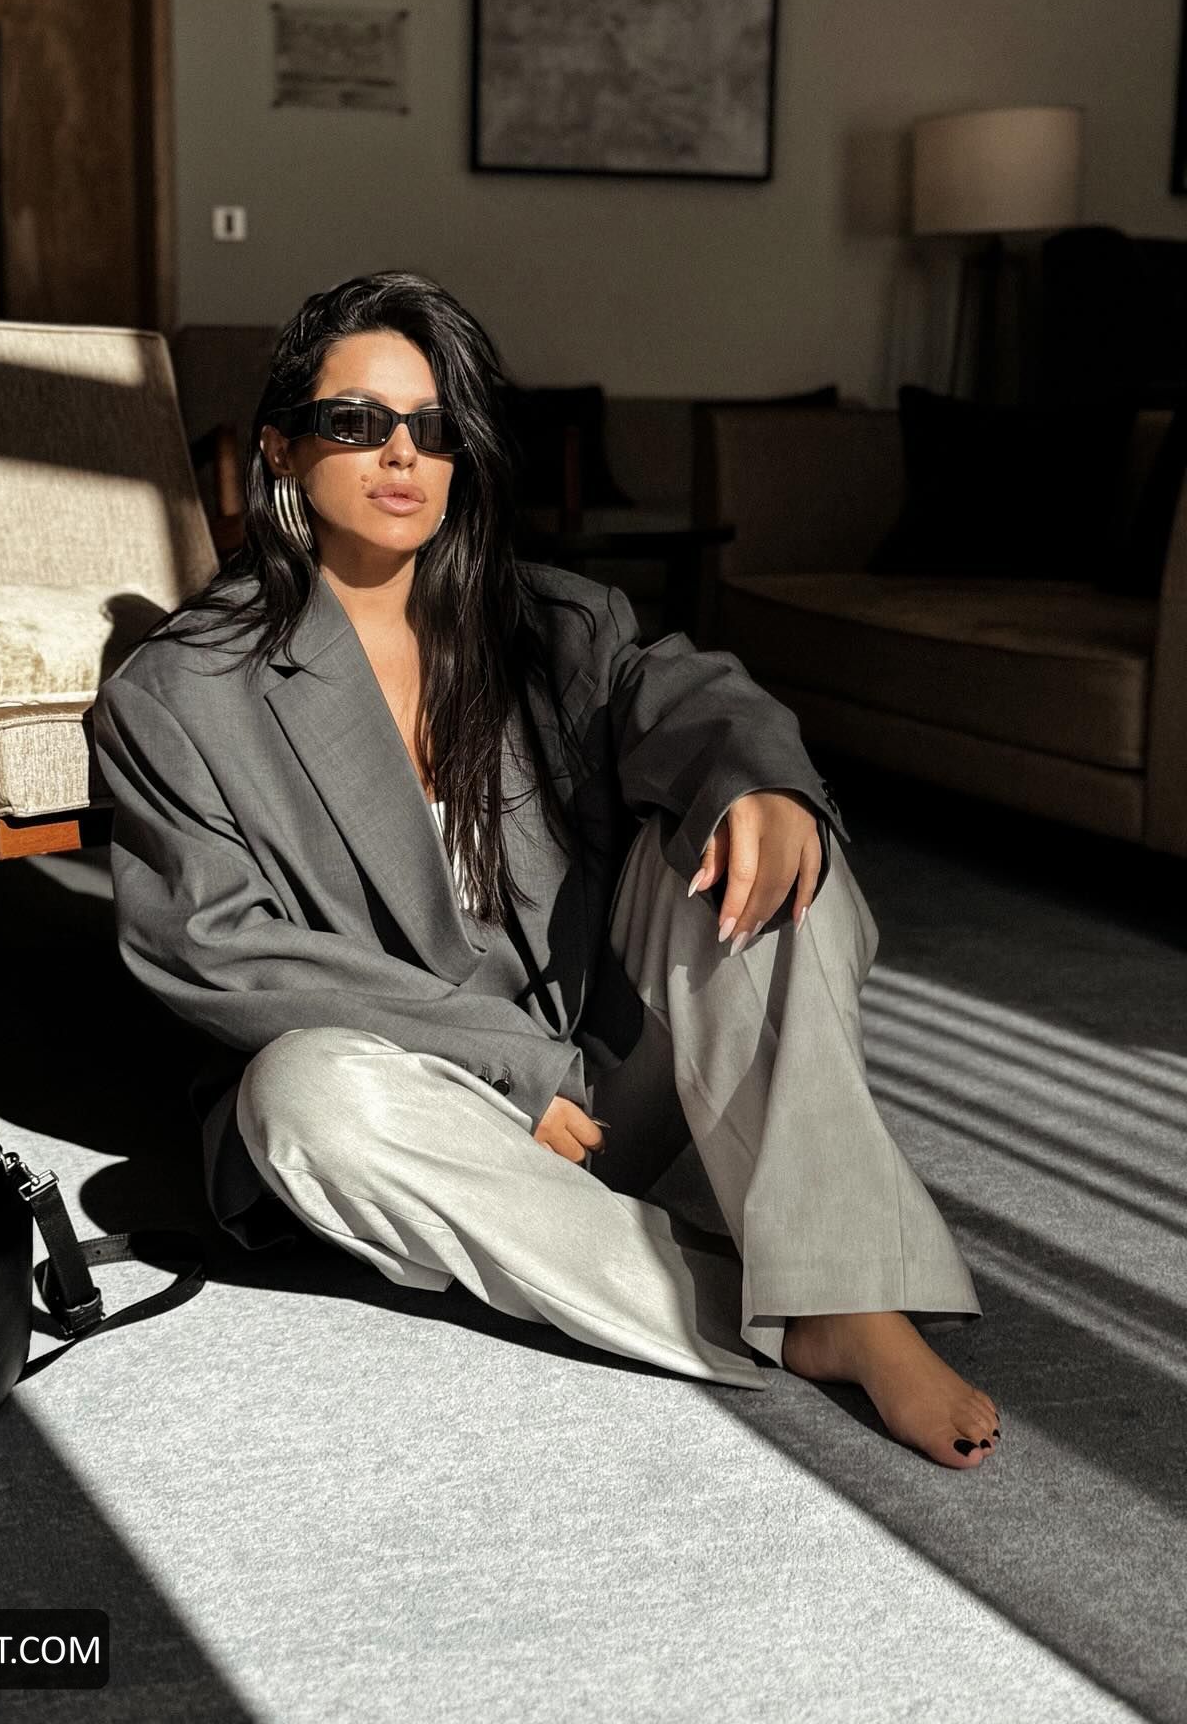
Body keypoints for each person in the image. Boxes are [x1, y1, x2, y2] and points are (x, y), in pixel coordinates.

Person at [92, 269, 1001, 1471]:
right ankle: (795, 1296)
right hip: (437, 1108)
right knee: (299, 1100)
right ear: (281, 448)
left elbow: (682, 688)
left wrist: (761, 784)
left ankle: (838, 1290)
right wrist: (500, 1061)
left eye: (434, 428)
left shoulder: (548, 622)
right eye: (357, 422)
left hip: (607, 1075)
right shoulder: (179, 693)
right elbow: (211, 946)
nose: (402, 454)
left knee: (762, 852)